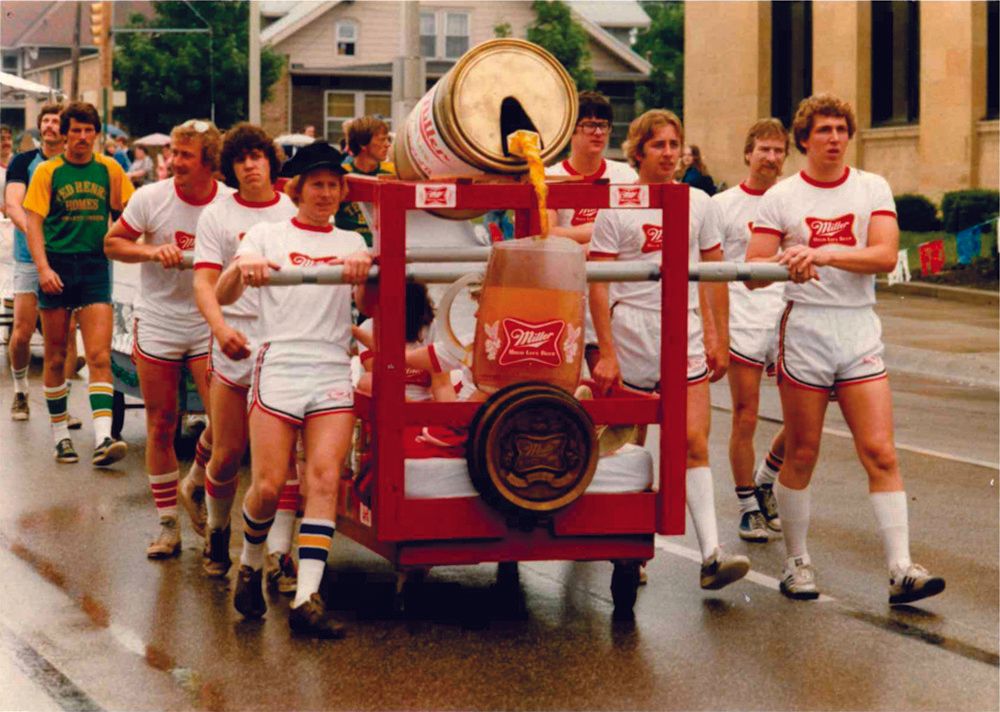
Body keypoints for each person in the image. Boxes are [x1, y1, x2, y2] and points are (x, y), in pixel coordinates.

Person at [745, 93, 945, 605]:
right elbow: (751, 270)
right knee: (804, 450)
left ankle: (901, 568)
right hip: (805, 329)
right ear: (804, 139)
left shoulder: (871, 186)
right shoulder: (783, 196)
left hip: (857, 330)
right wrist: (788, 259)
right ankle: (797, 562)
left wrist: (826, 252)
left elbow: (882, 255)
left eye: (841, 129)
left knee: (879, 450)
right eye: (824, 130)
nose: (834, 138)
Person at [216, 141, 372, 638]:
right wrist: (244, 270)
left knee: (323, 480)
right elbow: (222, 293)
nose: (325, 193)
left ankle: (307, 597)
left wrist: (366, 269)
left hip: (330, 369)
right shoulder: (265, 234)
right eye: (316, 185)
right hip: (278, 364)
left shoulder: (351, 241)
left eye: (333, 185)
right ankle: (250, 560)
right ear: (296, 189)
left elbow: (370, 301)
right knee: (266, 486)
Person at [589, 109, 749, 591]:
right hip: (632, 333)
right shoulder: (617, 204)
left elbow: (715, 273)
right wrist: (608, 352)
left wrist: (719, 335)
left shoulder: (700, 201)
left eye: (674, 144)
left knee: (693, 442)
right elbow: (597, 284)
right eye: (657, 145)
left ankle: (711, 554)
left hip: (685, 332)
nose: (668, 153)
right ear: (637, 152)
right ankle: (629, 551)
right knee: (627, 445)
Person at [104, 119, 233, 559]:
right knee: (161, 423)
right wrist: (149, 251)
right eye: (172, 154)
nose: (174, 162)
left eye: (185, 155)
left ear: (209, 163)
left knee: (224, 422)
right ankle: (167, 527)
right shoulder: (150, 198)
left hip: (207, 319)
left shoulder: (229, 204)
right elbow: (112, 243)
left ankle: (195, 481)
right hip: (159, 319)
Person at [192, 122, 297, 581]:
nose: (251, 165)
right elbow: (203, 282)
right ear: (231, 168)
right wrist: (219, 328)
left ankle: (278, 554)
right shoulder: (217, 215)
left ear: (271, 162)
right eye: (241, 159)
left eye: (258, 156)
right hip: (234, 340)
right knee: (230, 451)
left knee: (280, 462)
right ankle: (218, 532)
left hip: (281, 344)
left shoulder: (291, 211)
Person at [22, 102, 135, 465]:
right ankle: (60, 437)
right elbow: (34, 222)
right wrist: (42, 268)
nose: (83, 138)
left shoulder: (110, 169)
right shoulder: (48, 172)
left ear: (97, 134)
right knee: (56, 356)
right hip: (56, 264)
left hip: (93, 264)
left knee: (99, 355)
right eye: (76, 131)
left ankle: (103, 438)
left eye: (89, 131)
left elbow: (128, 212)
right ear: (65, 134)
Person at [712, 119, 791, 542]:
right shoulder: (723, 205)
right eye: (764, 149)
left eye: (779, 151)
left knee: (801, 420)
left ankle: (766, 479)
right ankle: (747, 506)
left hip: (785, 321)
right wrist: (716, 332)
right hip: (742, 321)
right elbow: (711, 273)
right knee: (745, 416)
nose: (771, 158)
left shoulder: (792, 201)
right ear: (748, 153)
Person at [545, 90, 638, 371]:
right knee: (569, 388)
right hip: (565, 297)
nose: (597, 133)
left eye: (603, 125)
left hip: (614, 301)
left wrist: (584, 241)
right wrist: (601, 236)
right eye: (589, 125)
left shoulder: (626, 176)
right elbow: (545, 235)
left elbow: (632, 236)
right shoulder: (551, 177)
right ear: (571, 131)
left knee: (613, 384)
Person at [5, 104, 86, 425]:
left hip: (66, 258)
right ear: (40, 128)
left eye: (56, 121)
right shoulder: (23, 162)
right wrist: (40, 237)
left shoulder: (74, 164)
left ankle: (60, 404)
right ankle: (21, 389)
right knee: (23, 331)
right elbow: (13, 205)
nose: (51, 126)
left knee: (66, 333)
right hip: (28, 257)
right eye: (47, 121)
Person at [335, 115, 394, 246]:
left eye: (388, 139)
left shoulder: (393, 173)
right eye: (382, 140)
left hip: (384, 248)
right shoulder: (339, 175)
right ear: (363, 144)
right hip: (349, 250)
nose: (387, 144)